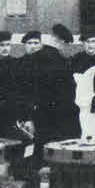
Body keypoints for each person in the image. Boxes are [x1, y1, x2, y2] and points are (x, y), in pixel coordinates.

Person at [23, 24, 78, 158]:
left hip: (39, 116)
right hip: (62, 118)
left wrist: (27, 117)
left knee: (39, 153)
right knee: (58, 155)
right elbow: (70, 91)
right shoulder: (63, 62)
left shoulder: (31, 59)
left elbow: (26, 91)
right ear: (62, 42)